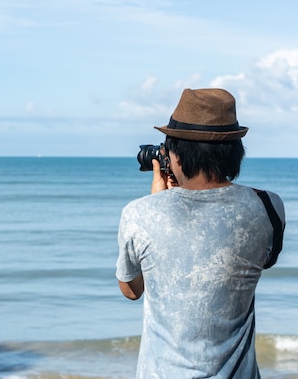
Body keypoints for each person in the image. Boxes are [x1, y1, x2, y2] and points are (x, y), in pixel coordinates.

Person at [116, 88, 285, 379]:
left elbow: (132, 290)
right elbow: (263, 261)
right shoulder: (268, 206)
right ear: (236, 153)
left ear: (176, 157)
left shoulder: (139, 213)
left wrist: (159, 203)